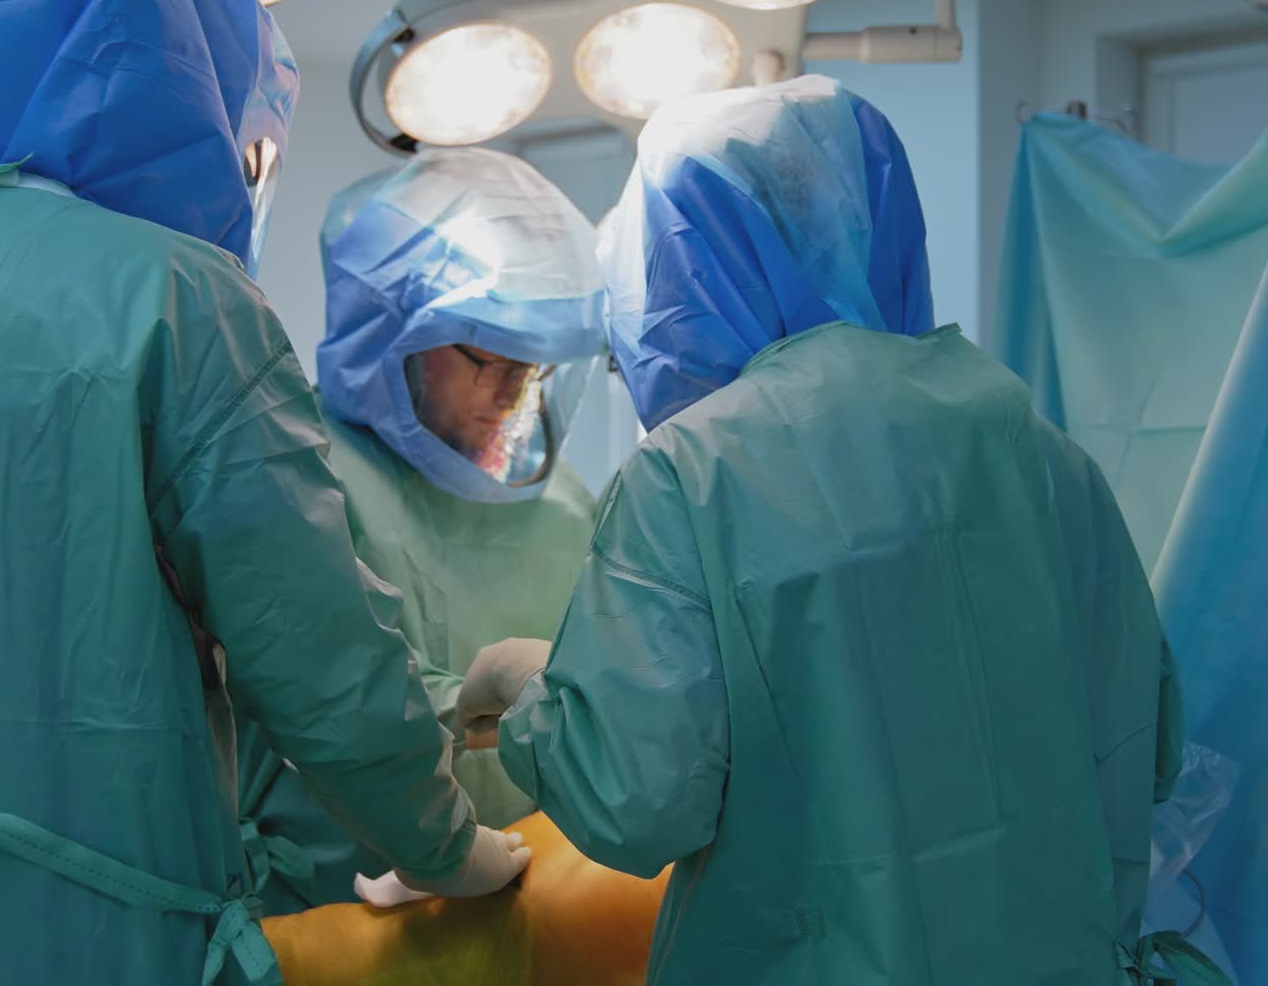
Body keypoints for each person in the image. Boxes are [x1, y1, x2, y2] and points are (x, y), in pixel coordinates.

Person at [458, 75, 1205, 985]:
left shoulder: (697, 474)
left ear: (683, 272)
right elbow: (1152, 746)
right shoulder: (1035, 448)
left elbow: (635, 802)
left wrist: (531, 688)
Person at [0, 0, 527, 986]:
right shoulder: (174, 296)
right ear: (187, 98)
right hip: (90, 930)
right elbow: (309, 644)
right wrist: (442, 843)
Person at [238, 148, 605, 913]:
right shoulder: (295, 475)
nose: (511, 391)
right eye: (487, 356)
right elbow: (312, 700)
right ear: (388, 333)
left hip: (533, 917)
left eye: (532, 365)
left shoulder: (565, 504)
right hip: (329, 923)